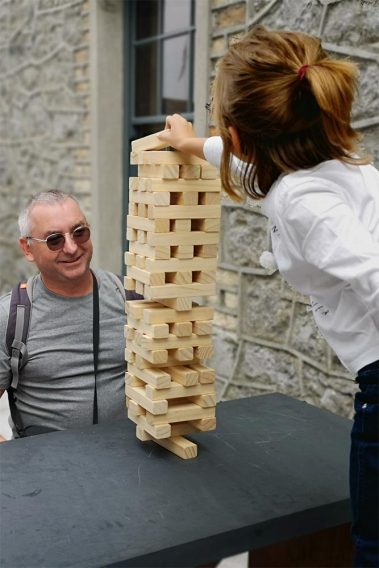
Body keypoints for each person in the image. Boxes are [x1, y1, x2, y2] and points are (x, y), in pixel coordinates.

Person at [158, 26, 379, 568]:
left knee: (371, 547)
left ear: (239, 133)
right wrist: (190, 142)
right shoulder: (338, 170)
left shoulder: (302, 201)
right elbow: (244, 161)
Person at [0, 190, 129, 440]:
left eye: (79, 232)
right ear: (27, 248)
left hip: (126, 466)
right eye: (54, 240)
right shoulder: (11, 317)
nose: (71, 248)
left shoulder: (128, 298)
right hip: (45, 471)